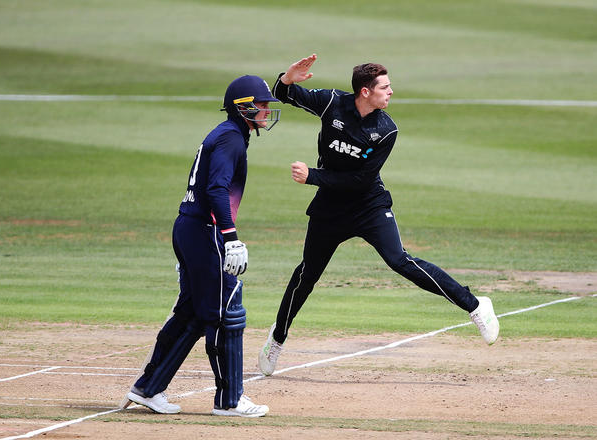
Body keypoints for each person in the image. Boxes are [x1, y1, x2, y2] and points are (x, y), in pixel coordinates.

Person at [258, 54, 499, 376]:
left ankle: (475, 305)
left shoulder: (386, 129)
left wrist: (312, 176)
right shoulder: (331, 103)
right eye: (385, 87)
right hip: (330, 208)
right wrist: (288, 78)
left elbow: (360, 180)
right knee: (307, 275)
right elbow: (283, 94)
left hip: (368, 206)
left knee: (400, 260)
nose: (391, 92)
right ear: (365, 92)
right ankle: (277, 338)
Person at [125, 75, 280, 417]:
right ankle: (230, 400)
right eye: (262, 104)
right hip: (204, 230)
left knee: (193, 312)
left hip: (190, 228)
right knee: (227, 311)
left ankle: (148, 388)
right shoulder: (230, 138)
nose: (267, 110)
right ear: (243, 107)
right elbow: (216, 189)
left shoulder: (228, 134)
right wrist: (231, 238)